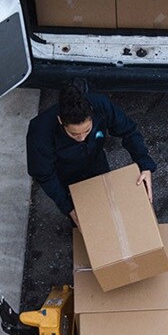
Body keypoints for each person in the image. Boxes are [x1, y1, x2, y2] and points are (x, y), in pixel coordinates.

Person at [26, 86, 156, 228]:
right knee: (82, 221)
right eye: (74, 134)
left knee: (108, 206)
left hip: (96, 162)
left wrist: (144, 164)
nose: (82, 138)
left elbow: (129, 131)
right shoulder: (40, 131)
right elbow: (44, 174)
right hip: (65, 174)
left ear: (92, 114)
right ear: (60, 120)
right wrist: (69, 209)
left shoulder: (102, 105)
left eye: (87, 131)